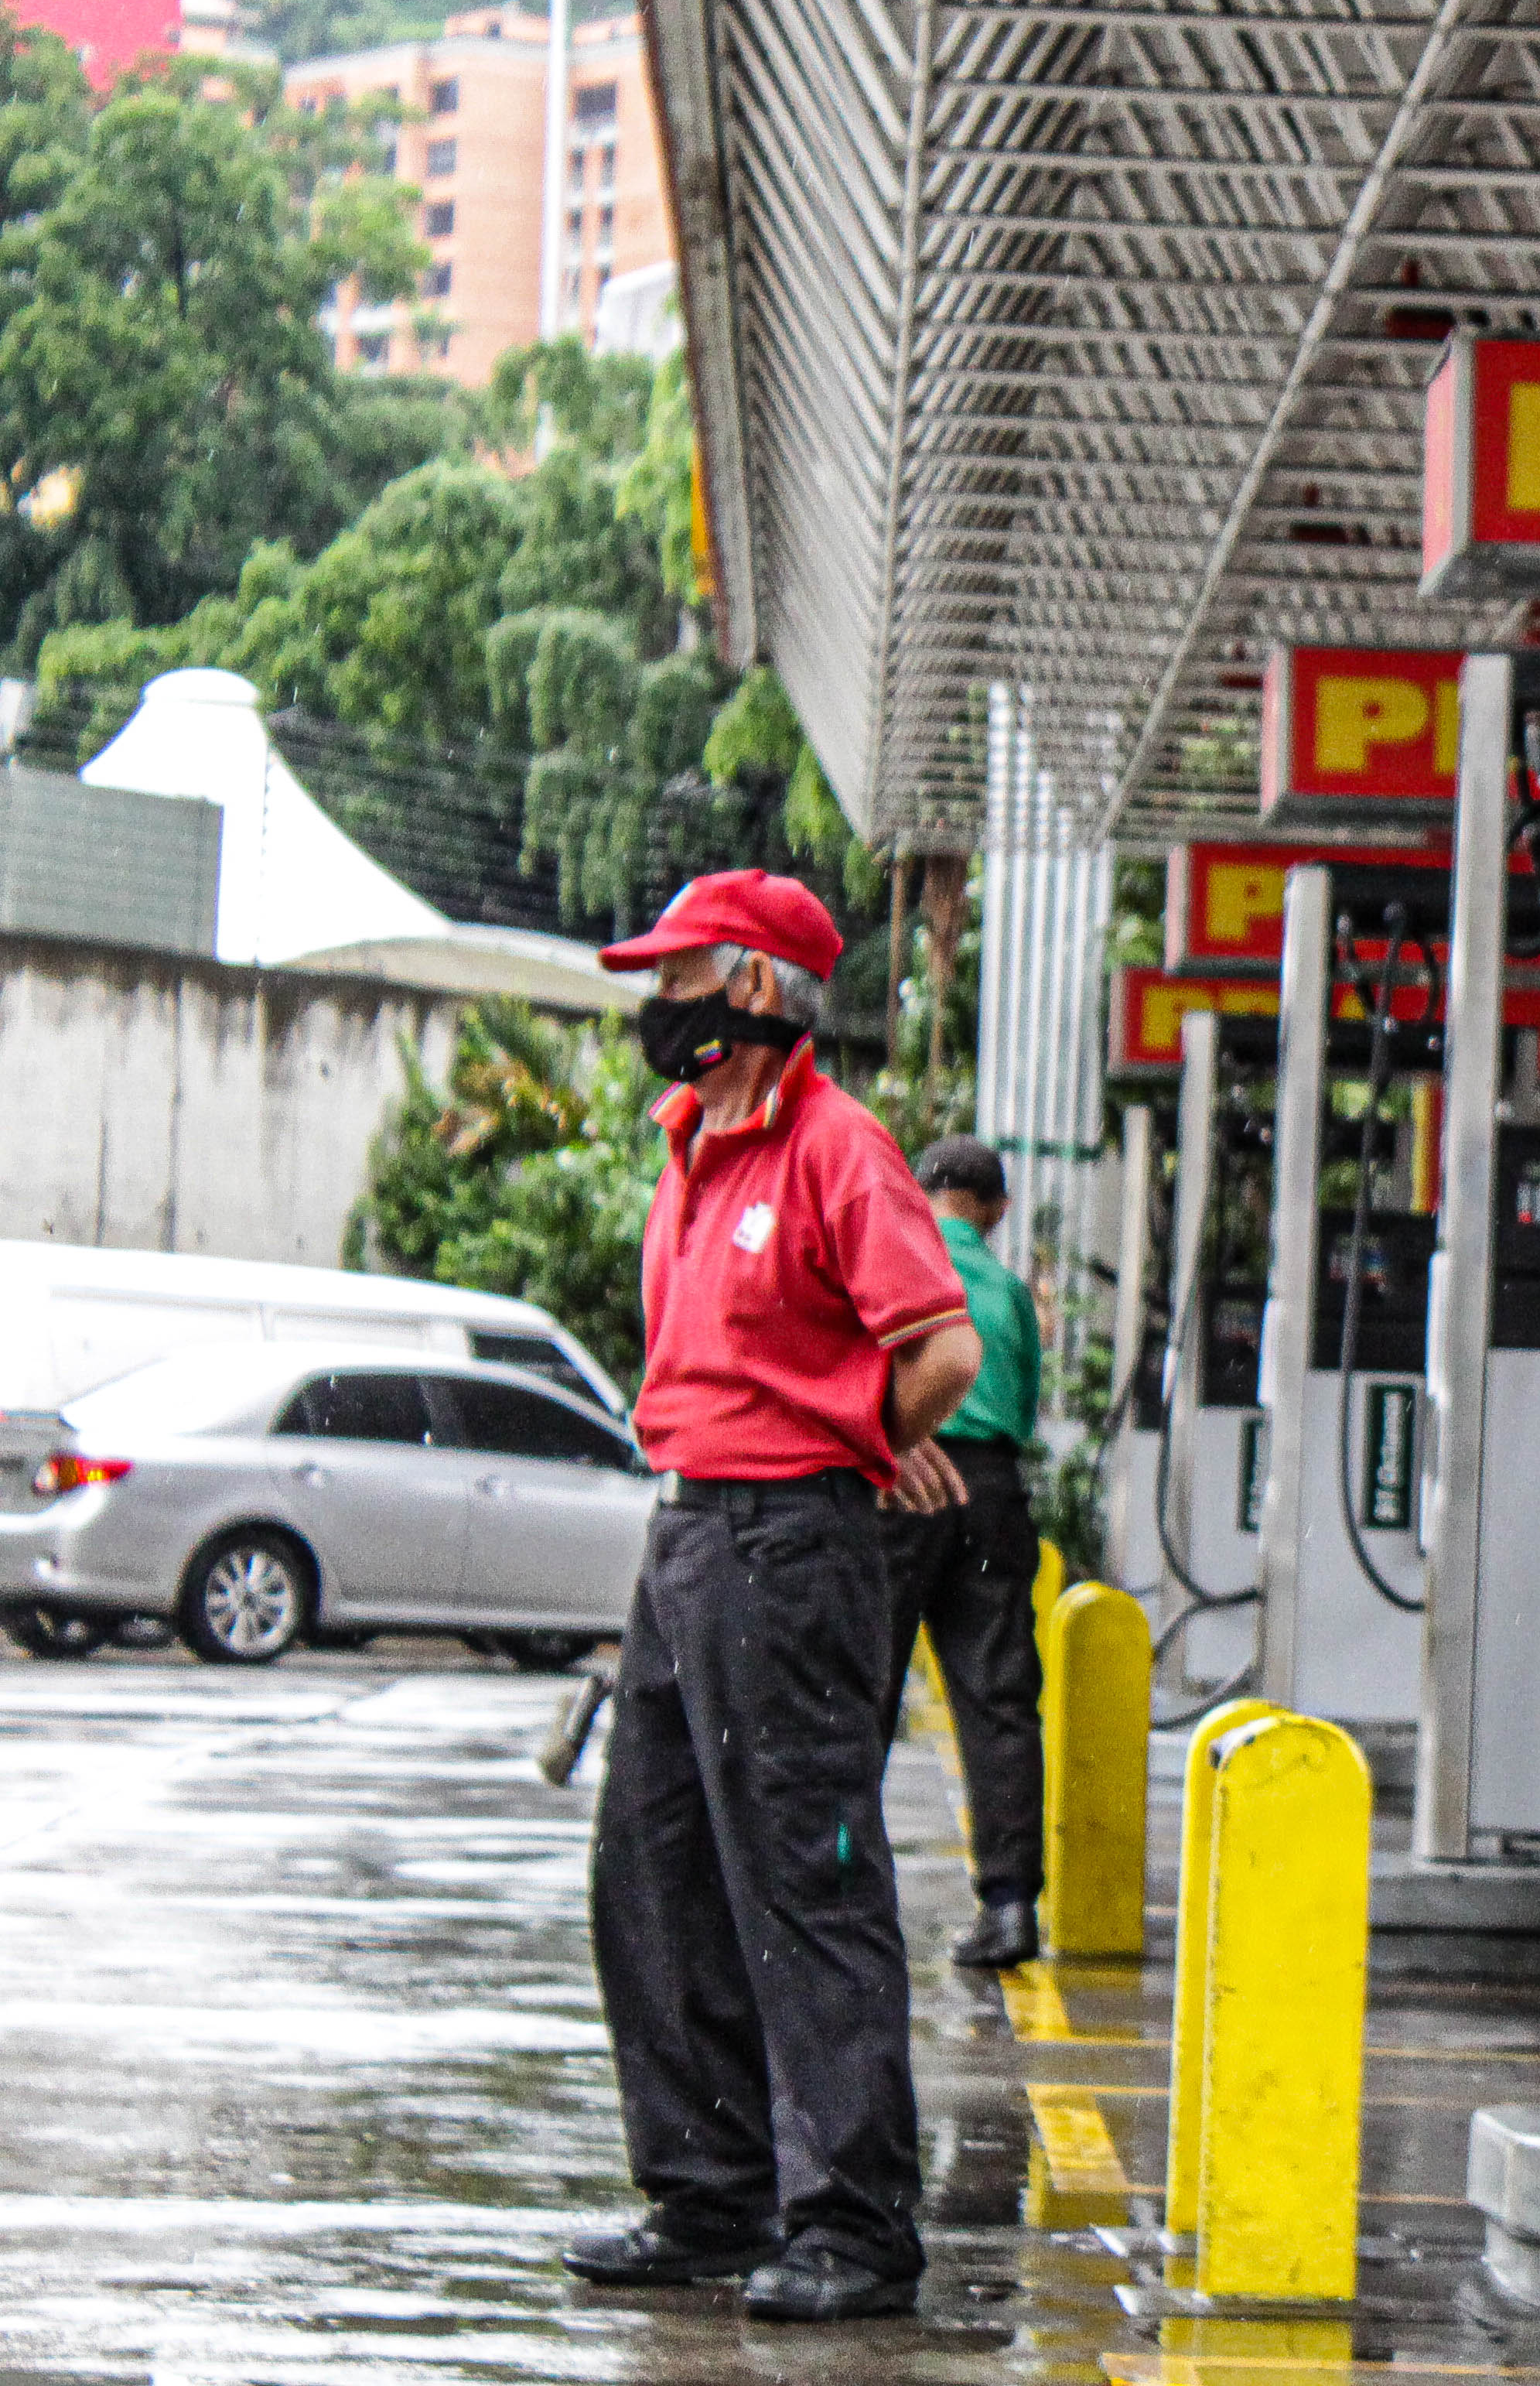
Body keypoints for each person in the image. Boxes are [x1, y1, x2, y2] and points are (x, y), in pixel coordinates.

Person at [562, 871, 982, 2325]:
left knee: (806, 1881)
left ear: (751, 993)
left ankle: (856, 2226)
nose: (654, 1005)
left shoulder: (836, 1147)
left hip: (784, 1550)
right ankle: (707, 2192)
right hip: (683, 1534)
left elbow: (941, 1346)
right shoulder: (692, 1137)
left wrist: (856, 1445)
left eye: (678, 977)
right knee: (653, 1873)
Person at [883, 1133, 1050, 1970]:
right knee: (997, 1699)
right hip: (988, 1490)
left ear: (919, 1192)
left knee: (862, 1686)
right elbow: (1022, 1402)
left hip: (903, 1475)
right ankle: (1012, 1908)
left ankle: (840, 1883)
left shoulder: (897, 1261)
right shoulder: (1010, 1290)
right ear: (995, 1208)